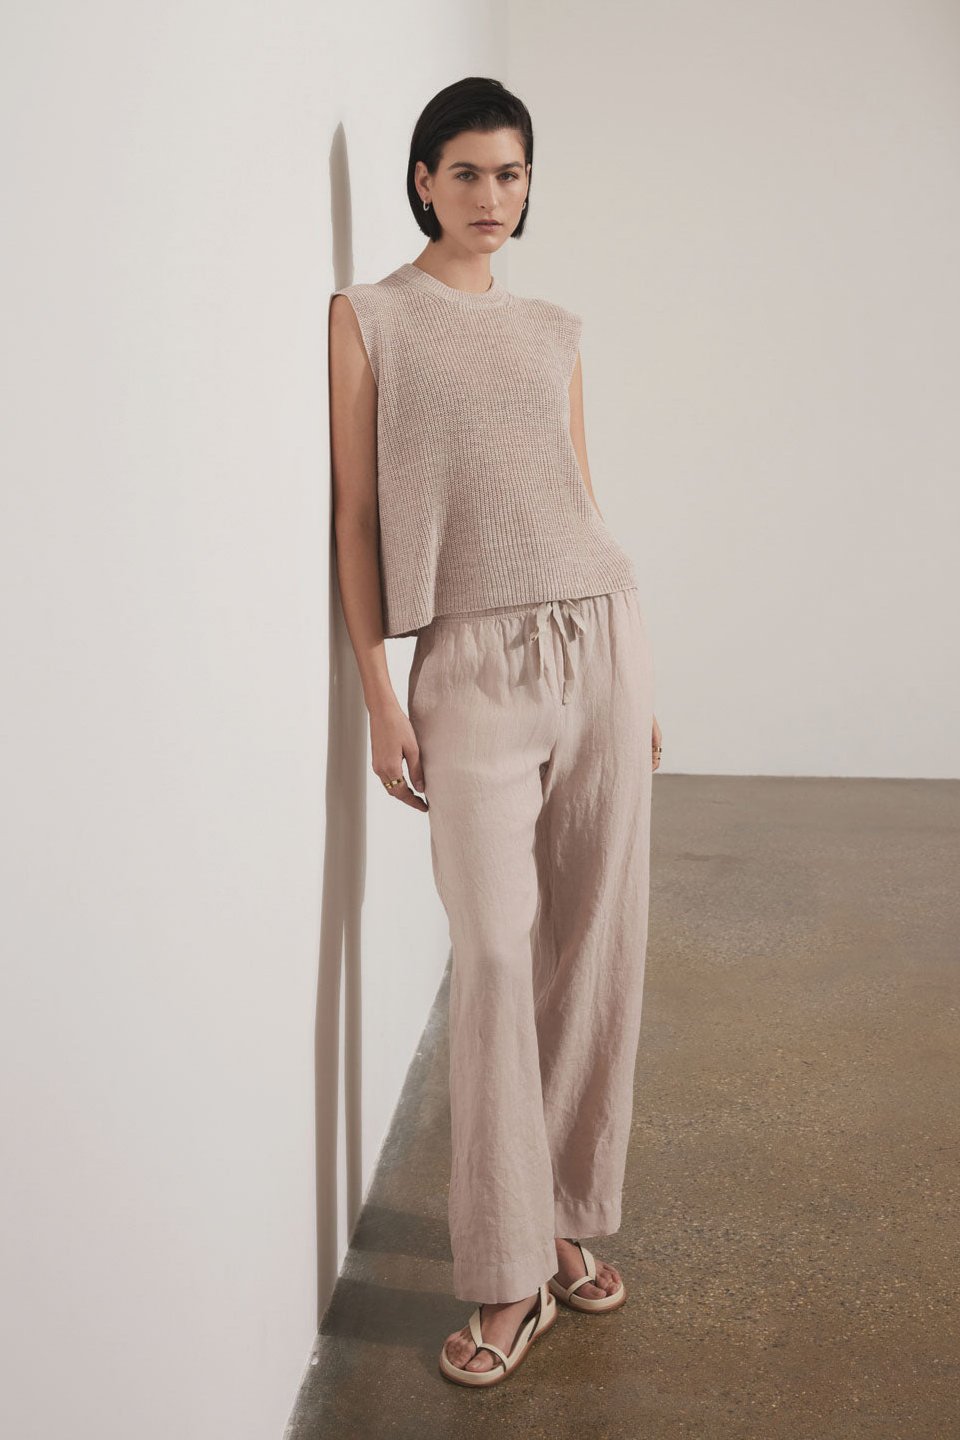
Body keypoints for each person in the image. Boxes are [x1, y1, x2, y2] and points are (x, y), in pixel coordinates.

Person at [328, 76, 662, 1389]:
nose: (490, 198)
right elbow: (355, 519)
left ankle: (572, 1217)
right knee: (493, 953)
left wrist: (645, 673)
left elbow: (581, 495)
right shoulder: (368, 320)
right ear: (421, 180)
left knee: (595, 948)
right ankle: (507, 1272)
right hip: (464, 661)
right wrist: (376, 693)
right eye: (465, 172)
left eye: (511, 175)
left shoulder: (554, 328)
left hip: (601, 643)